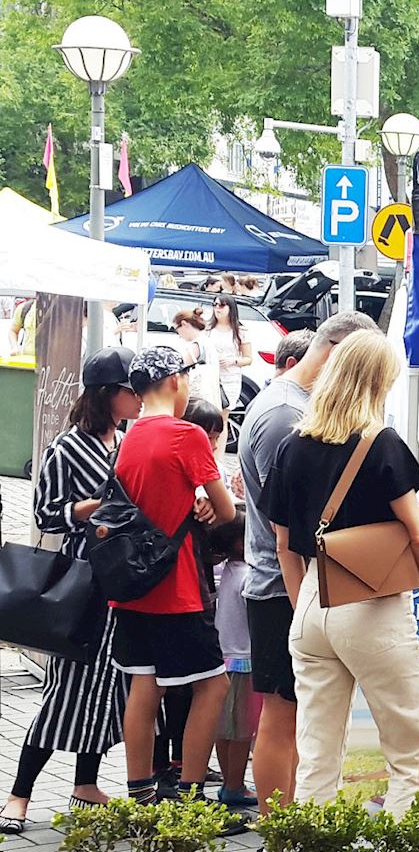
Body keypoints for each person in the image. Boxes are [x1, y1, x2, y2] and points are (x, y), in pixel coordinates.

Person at [265, 331, 419, 818]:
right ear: (378, 383)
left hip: (313, 602)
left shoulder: (293, 445)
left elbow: (282, 542)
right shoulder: (381, 444)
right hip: (373, 606)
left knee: (317, 757)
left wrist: (305, 607)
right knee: (410, 754)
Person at [237, 311, 375, 852]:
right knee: (283, 713)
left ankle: (290, 837)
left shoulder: (285, 406)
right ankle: (279, 840)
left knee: (295, 715)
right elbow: (285, 530)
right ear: (336, 351)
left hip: (286, 586)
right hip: (281, 588)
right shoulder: (285, 416)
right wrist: (304, 609)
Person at [0, 348, 140, 835]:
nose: (138, 397)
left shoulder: (126, 442)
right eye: (130, 389)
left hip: (121, 580)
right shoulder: (67, 448)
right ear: (108, 395)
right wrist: (91, 508)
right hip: (82, 581)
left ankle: (85, 782)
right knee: (67, 688)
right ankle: (19, 795)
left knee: (106, 688)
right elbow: (44, 514)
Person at [112, 347, 237, 810]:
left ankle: (140, 791)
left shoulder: (129, 438)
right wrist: (203, 505)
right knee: (213, 685)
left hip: (133, 584)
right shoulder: (186, 435)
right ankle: (190, 794)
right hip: (177, 586)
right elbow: (225, 512)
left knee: (144, 685)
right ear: (174, 382)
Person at [209, 513, 259, 808]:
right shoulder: (248, 577)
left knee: (223, 729)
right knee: (242, 731)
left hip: (223, 658)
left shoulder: (225, 571)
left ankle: (229, 782)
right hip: (245, 660)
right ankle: (235, 785)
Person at [206, 294, 253, 409]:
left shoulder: (240, 331)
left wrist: (233, 361)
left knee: (224, 414)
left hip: (230, 378)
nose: (217, 308)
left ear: (231, 308)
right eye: (215, 305)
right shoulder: (207, 329)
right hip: (209, 376)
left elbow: (248, 359)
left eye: (221, 305)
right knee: (208, 414)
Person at [173, 309, 221, 405]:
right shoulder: (207, 342)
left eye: (177, 330)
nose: (179, 335)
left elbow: (179, 368)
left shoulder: (195, 346)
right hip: (211, 396)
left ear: (184, 324)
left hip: (198, 398)